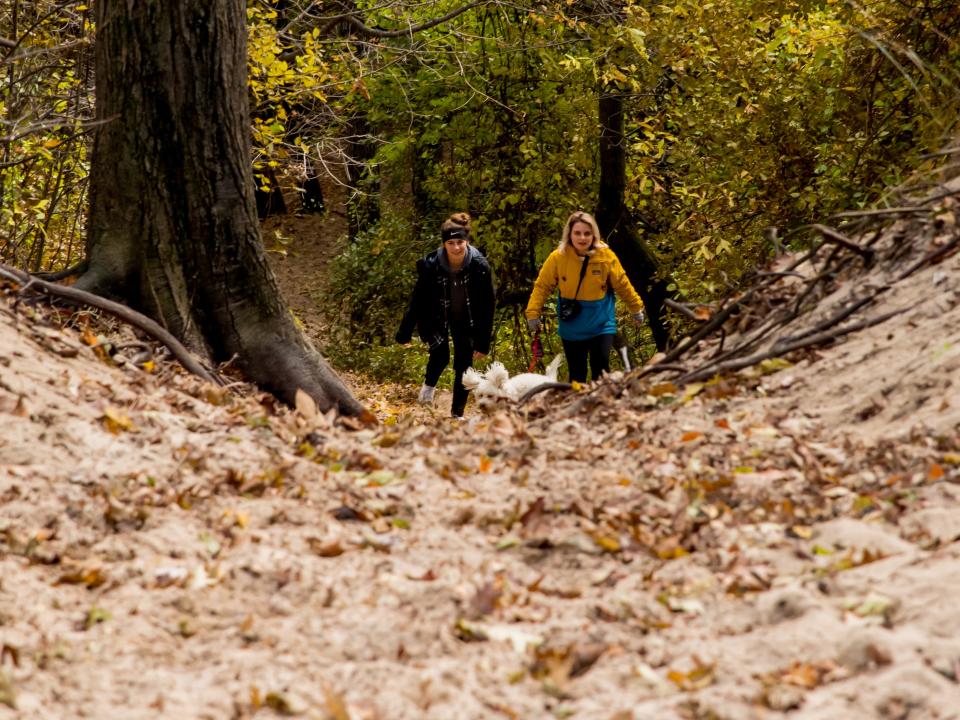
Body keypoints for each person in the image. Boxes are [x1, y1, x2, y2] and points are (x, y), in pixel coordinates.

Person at [525, 210, 644, 383]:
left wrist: (636, 307)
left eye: (587, 233)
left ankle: (602, 406)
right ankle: (578, 409)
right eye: (577, 233)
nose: (582, 238)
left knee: (601, 369)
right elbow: (542, 286)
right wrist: (533, 313)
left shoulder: (606, 256)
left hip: (601, 322)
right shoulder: (558, 257)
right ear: (569, 234)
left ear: (594, 234)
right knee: (577, 374)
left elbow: (622, 283)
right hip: (572, 323)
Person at [396, 212, 495, 418]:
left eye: (460, 242)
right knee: (440, 355)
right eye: (451, 243)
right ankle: (427, 392)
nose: (456, 247)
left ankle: (457, 413)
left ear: (466, 241)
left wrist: (482, 341)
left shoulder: (479, 266)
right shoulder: (431, 266)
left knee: (463, 363)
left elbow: (487, 305)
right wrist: (404, 332)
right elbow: (418, 300)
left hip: (467, 317)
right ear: (444, 244)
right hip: (436, 314)